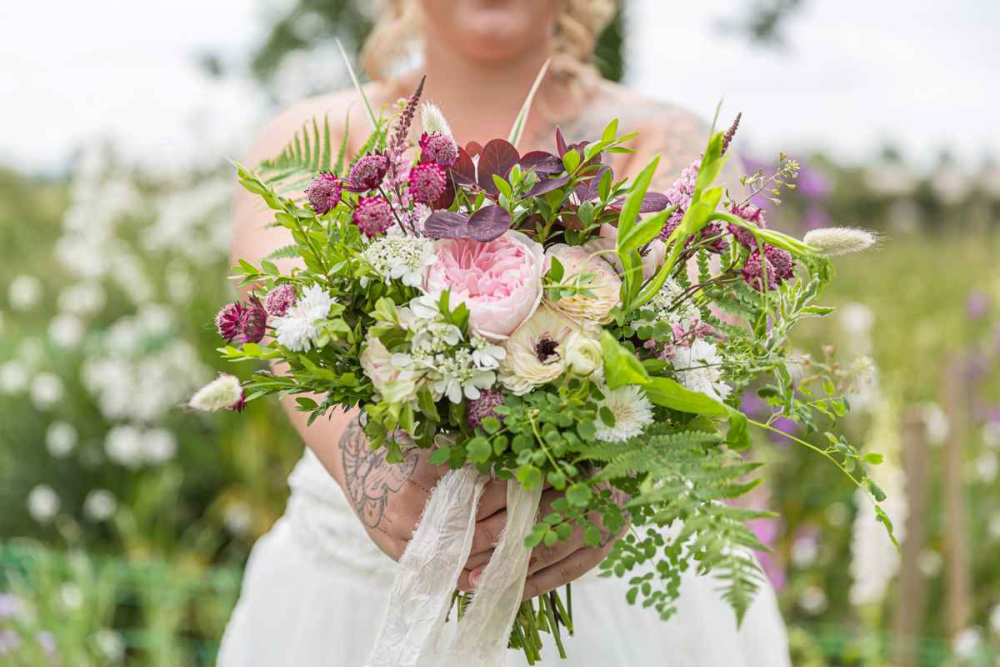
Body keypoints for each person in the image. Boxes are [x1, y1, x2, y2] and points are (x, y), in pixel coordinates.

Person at [218, 1, 791, 664]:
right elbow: (286, 333)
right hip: (349, 607)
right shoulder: (304, 140)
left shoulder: (668, 143)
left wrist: (610, 488)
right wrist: (377, 480)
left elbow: (701, 345)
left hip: (618, 610)